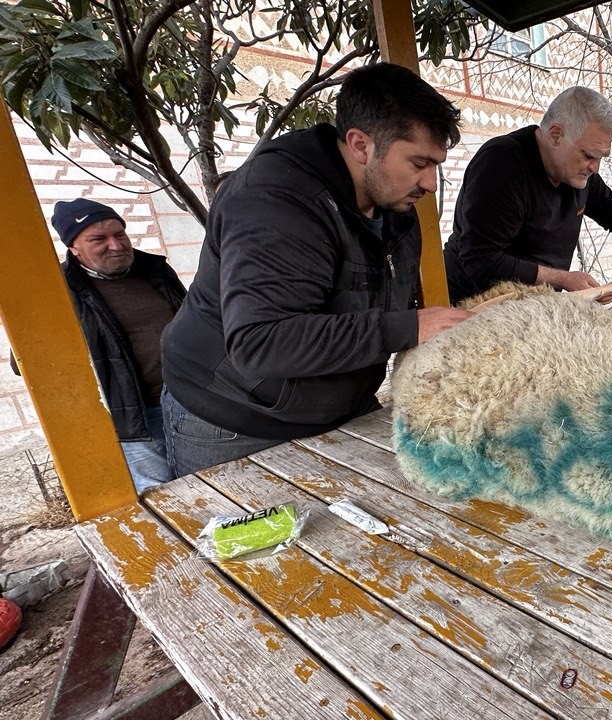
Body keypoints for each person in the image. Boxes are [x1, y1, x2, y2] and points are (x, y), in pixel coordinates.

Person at [161, 63, 471, 477]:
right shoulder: (274, 202)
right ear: (361, 145)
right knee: (251, 540)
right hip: (234, 420)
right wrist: (408, 327)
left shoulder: (396, 206)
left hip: (339, 405)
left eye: (436, 165)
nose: (431, 183)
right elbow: (260, 344)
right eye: (419, 163)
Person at [443, 86, 612, 303]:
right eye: (589, 155)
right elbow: (481, 260)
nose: (595, 167)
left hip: (531, 303)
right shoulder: (500, 165)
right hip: (475, 304)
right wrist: (564, 279)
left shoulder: (576, 172)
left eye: (601, 157)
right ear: (555, 135)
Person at [46, 199, 186, 492]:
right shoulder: (59, 289)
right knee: (160, 495)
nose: (116, 245)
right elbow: (33, 362)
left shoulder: (155, 269)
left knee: (210, 479)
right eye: (98, 239)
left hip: (191, 400)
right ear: (74, 247)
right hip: (132, 413)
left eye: (119, 234)